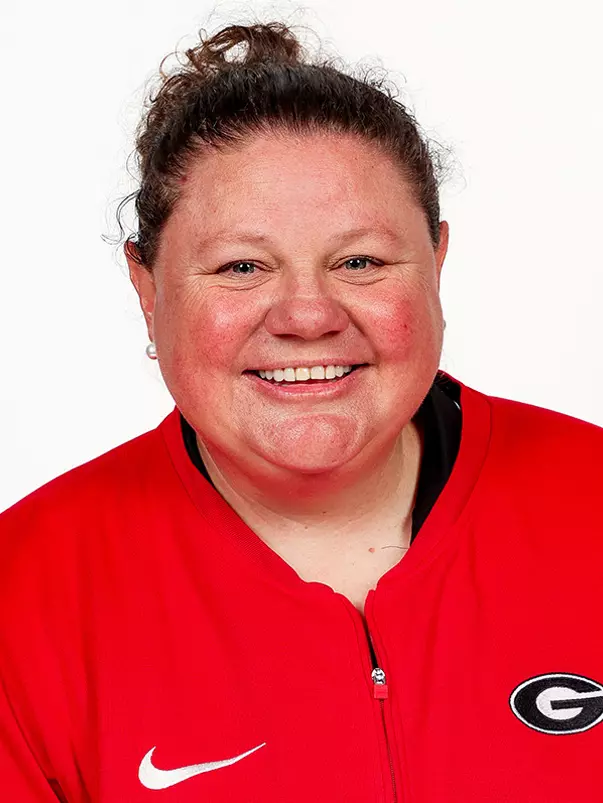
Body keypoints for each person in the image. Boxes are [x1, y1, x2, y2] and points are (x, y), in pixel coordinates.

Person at [1, 19, 602, 803]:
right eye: (241, 266)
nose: (307, 315)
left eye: (359, 261)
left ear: (436, 264)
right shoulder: (23, 602)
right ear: (146, 290)